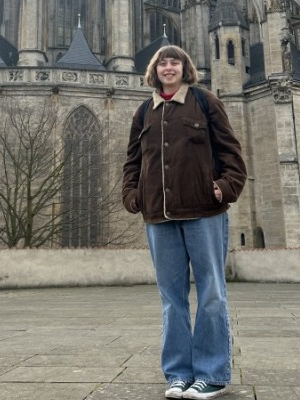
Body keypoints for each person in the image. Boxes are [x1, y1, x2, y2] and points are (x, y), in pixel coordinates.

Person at [122, 45, 247, 400]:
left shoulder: (205, 102)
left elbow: (231, 154)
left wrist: (225, 188)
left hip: (203, 211)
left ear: (185, 68)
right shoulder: (145, 110)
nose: (169, 66)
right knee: (171, 300)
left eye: (175, 61)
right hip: (159, 215)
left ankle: (212, 375)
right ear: (154, 71)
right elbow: (132, 161)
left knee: (211, 295)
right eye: (163, 62)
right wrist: (132, 195)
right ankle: (177, 374)